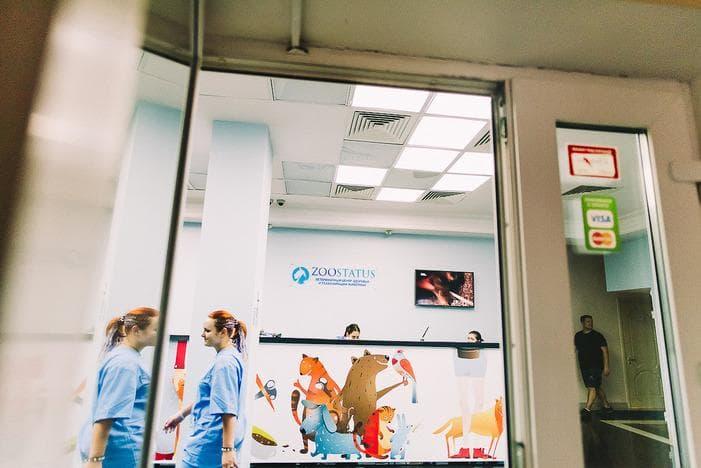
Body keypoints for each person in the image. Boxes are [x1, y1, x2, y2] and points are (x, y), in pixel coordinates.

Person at [164, 310, 247, 468]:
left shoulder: (225, 363)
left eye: (207, 331)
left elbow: (227, 409)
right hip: (212, 442)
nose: (202, 334)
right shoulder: (229, 357)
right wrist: (181, 415)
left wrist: (227, 449)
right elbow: (210, 398)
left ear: (223, 332)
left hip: (209, 443)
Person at [79, 307, 160, 468]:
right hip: (122, 452)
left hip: (121, 450)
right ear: (136, 330)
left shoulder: (126, 358)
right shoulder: (125, 364)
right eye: (156, 330)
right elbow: (106, 415)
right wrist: (95, 460)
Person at [452, 330, 490, 459]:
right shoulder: (461, 358)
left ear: (478, 341)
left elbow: (479, 398)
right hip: (465, 376)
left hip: (476, 376)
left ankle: (477, 448)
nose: (468, 341)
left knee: (477, 410)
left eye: (471, 339)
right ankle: (466, 448)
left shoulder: (481, 357)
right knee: (465, 409)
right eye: (467, 338)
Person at [574, 315, 613, 417]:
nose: (590, 323)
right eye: (588, 321)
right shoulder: (578, 336)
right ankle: (607, 407)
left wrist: (606, 366)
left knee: (592, 387)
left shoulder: (598, 336)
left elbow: (605, 351)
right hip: (584, 366)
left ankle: (587, 409)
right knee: (596, 386)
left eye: (591, 321)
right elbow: (576, 349)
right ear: (582, 323)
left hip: (596, 366)